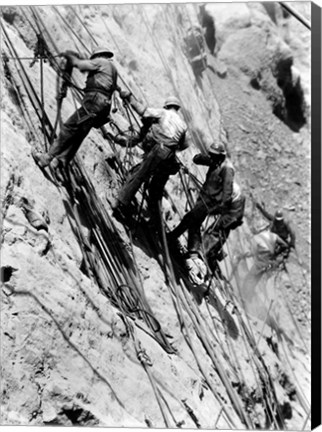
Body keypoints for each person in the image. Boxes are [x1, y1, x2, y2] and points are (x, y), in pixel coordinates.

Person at [32, 46, 119, 170]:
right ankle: (60, 161)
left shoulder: (101, 62)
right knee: (79, 134)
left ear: (99, 56)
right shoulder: (112, 69)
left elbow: (80, 64)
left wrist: (70, 57)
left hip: (94, 101)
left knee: (69, 127)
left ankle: (46, 158)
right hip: (102, 106)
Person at [113, 94, 189, 224]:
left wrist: (130, 98)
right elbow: (184, 145)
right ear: (177, 108)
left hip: (158, 149)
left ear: (167, 105)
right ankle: (154, 221)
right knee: (154, 188)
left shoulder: (163, 113)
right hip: (169, 156)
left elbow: (143, 111)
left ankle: (121, 203)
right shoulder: (182, 125)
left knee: (140, 175)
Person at [168, 142, 236, 257]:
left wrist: (220, 205)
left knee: (189, 218)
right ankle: (193, 250)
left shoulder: (226, 170)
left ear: (220, 156)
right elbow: (196, 159)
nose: (212, 157)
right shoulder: (214, 162)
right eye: (211, 154)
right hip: (204, 198)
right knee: (195, 223)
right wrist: (207, 159)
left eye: (214, 155)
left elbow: (227, 192)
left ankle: (172, 238)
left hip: (210, 202)